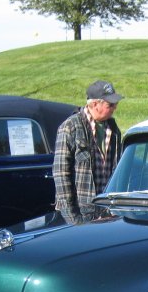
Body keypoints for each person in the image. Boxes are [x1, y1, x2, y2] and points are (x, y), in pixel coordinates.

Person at [53, 80, 124, 225]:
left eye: (115, 104)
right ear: (94, 104)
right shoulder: (70, 127)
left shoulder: (114, 129)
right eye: (110, 104)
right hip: (80, 213)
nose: (115, 108)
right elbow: (61, 174)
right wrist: (73, 219)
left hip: (107, 211)